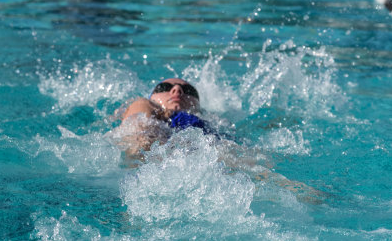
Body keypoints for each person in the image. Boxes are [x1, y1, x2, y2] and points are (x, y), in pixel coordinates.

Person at [114, 77, 326, 204]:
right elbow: (139, 132)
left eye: (188, 91)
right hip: (165, 153)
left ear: (198, 104)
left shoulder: (211, 121)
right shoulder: (145, 105)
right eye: (164, 88)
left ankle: (294, 190)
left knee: (242, 158)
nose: (177, 90)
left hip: (202, 152)